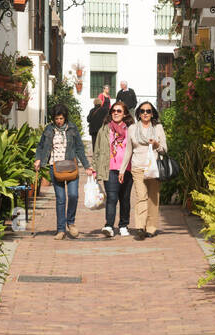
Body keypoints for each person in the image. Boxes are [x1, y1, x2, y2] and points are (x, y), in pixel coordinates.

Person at [34, 104, 93, 241]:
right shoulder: (49, 129)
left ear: (65, 117)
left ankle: (70, 223)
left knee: (73, 195)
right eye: (56, 118)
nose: (59, 121)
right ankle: (60, 230)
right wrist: (38, 159)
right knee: (61, 199)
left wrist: (87, 166)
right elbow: (41, 146)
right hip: (54, 167)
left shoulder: (72, 128)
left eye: (61, 118)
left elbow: (79, 148)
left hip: (71, 166)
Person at [92, 99, 133, 237]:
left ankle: (123, 225)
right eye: (113, 111)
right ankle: (109, 225)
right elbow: (97, 149)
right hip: (109, 167)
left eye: (119, 111)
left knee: (125, 198)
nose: (115, 113)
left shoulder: (131, 130)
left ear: (125, 114)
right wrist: (94, 167)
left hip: (127, 168)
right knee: (112, 197)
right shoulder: (104, 129)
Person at [128, 101, 167, 240]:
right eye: (143, 111)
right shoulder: (132, 128)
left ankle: (151, 228)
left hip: (154, 168)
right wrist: (122, 170)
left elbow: (164, 149)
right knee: (141, 197)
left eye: (148, 111)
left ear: (152, 114)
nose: (145, 113)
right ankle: (140, 227)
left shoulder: (158, 128)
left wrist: (156, 144)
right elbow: (128, 150)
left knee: (153, 198)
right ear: (138, 113)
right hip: (137, 167)